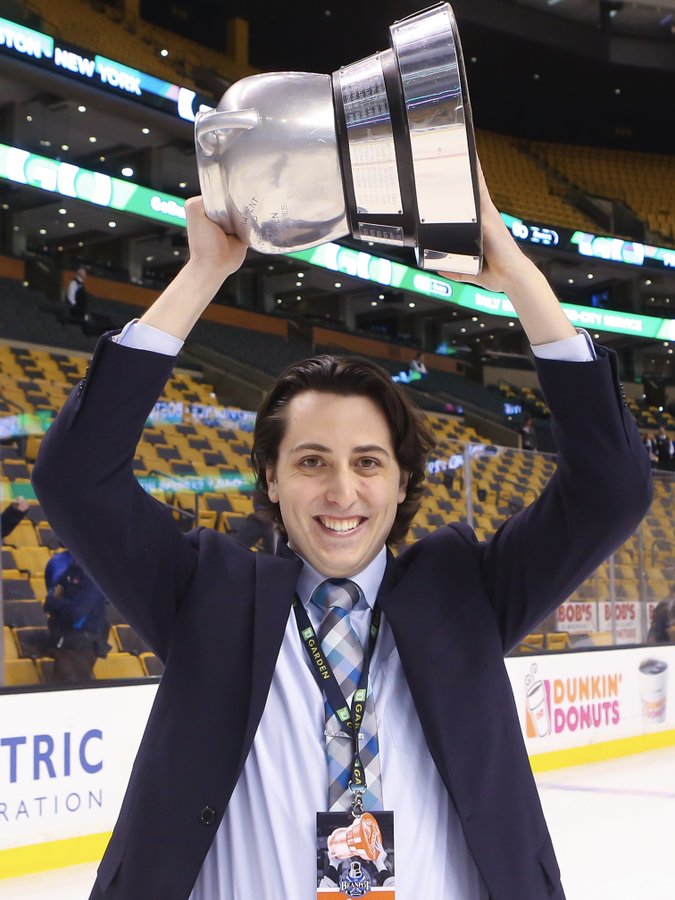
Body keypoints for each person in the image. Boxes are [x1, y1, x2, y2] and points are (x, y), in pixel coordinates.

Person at [32, 162, 652, 900]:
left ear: (400, 481)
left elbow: (612, 486)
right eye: (310, 461)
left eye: (367, 462)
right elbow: (76, 476)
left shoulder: (469, 593)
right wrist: (203, 274)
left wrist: (517, 275)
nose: (340, 491)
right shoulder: (207, 595)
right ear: (269, 477)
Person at [44, 549, 111, 682]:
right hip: (63, 641)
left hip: (82, 644)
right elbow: (48, 604)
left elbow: (77, 613)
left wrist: (59, 602)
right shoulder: (67, 568)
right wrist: (62, 604)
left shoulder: (96, 574)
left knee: (72, 691)